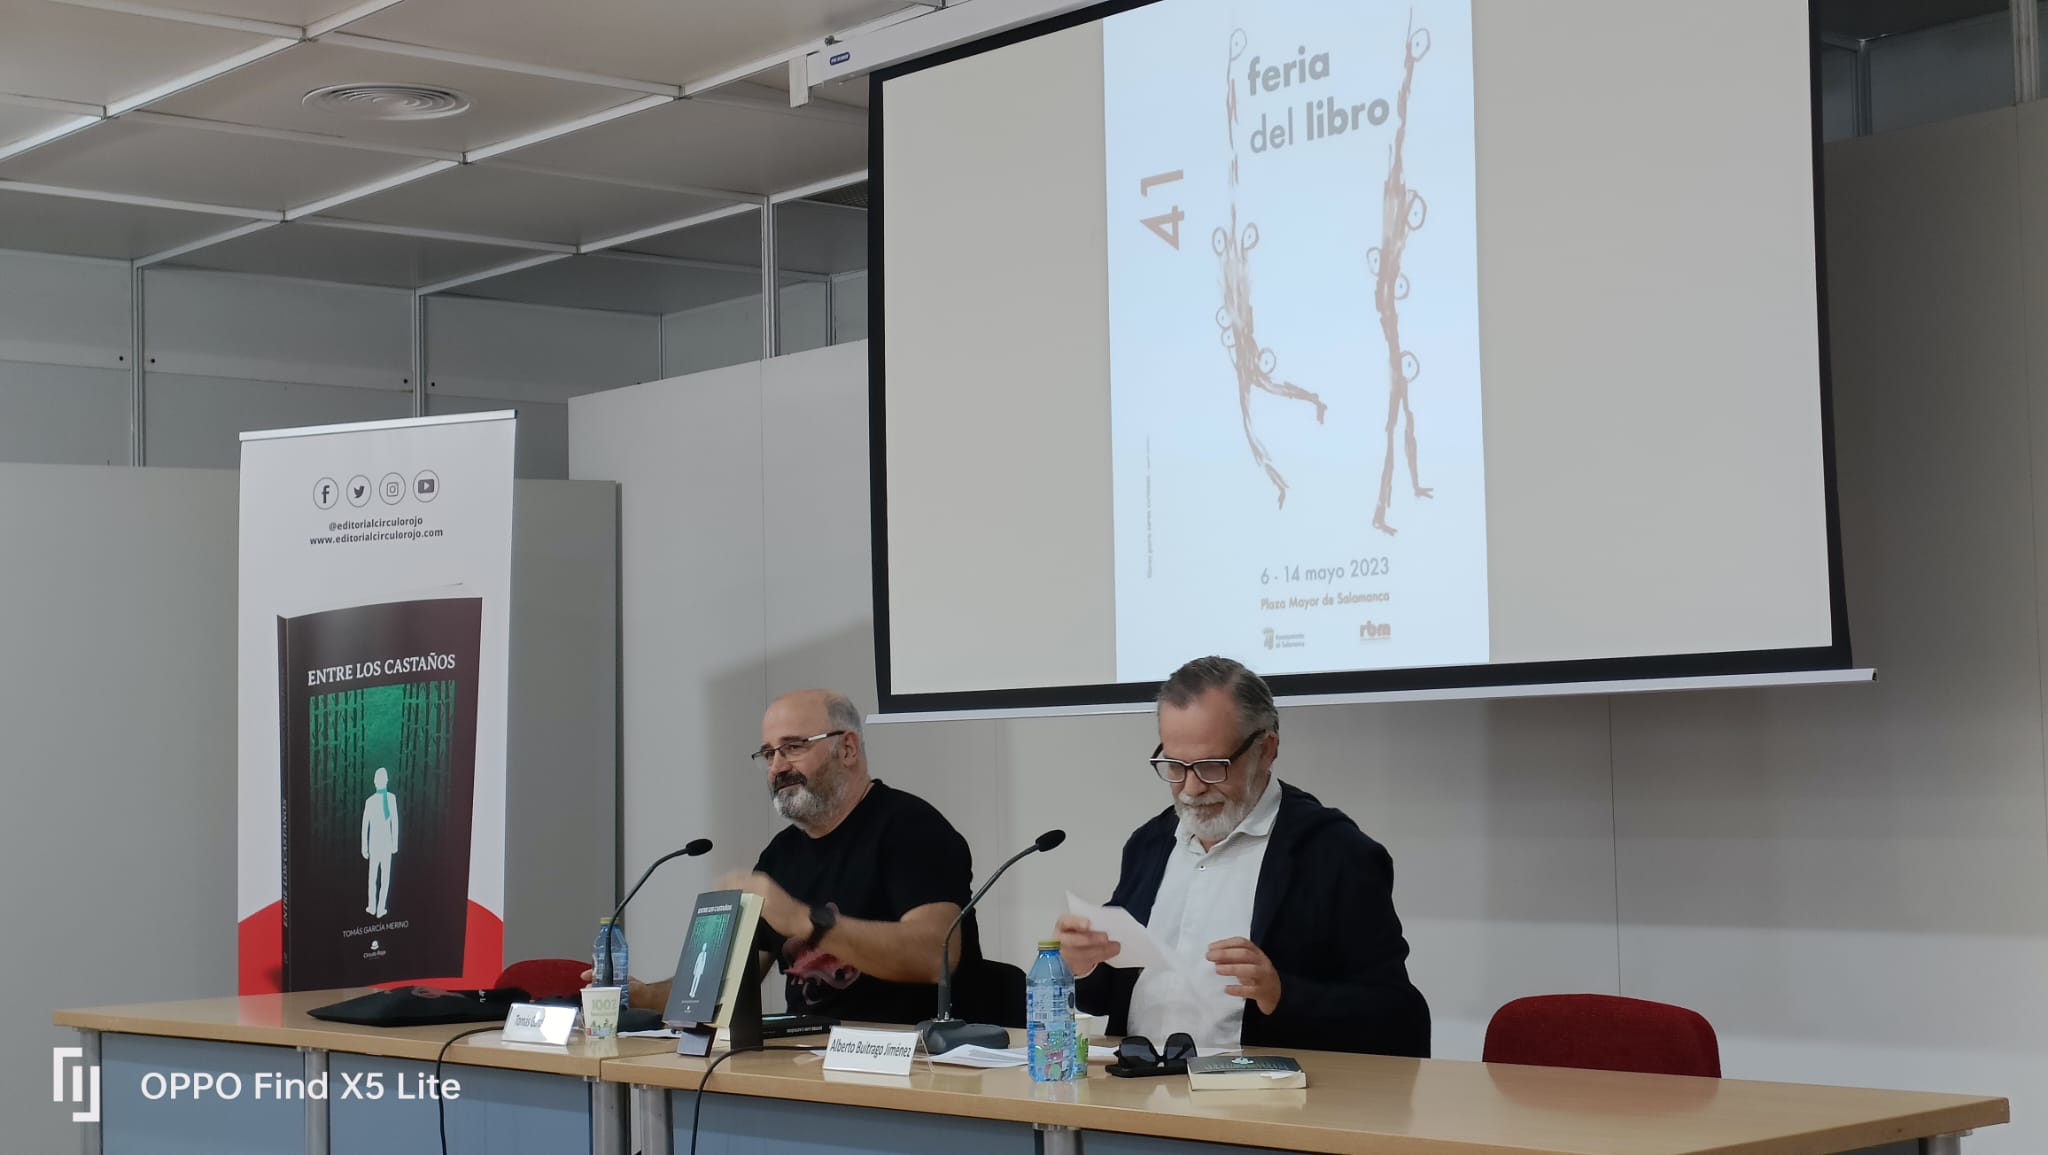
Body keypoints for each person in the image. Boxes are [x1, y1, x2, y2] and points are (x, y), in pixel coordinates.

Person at [1055, 656, 1429, 1057]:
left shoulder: (1335, 854)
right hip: (1134, 1090)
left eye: (1211, 766)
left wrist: (1281, 995)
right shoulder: (1150, 844)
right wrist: (1083, 965)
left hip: (1262, 1104)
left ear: (1266, 749)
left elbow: (1399, 1018)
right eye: (1175, 766)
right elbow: (1112, 995)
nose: (1191, 789)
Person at [624, 689, 981, 1025]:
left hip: (909, 1062)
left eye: (793, 747)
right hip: (805, 1061)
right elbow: (721, 986)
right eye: (768, 754)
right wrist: (638, 995)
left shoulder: (911, 828)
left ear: (848, 749)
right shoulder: (781, 854)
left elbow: (935, 957)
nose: (777, 767)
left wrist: (802, 919)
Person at [360, 766, 397, 919]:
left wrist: (395, 842)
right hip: (375, 845)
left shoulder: (392, 798)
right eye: (379, 779)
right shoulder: (370, 801)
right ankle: (372, 906)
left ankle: (381, 908)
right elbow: (365, 825)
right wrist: (364, 847)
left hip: (387, 845)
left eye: (383, 779)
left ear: (386, 781)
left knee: (385, 878)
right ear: (375, 782)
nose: (381, 782)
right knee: (372, 878)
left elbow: (395, 821)